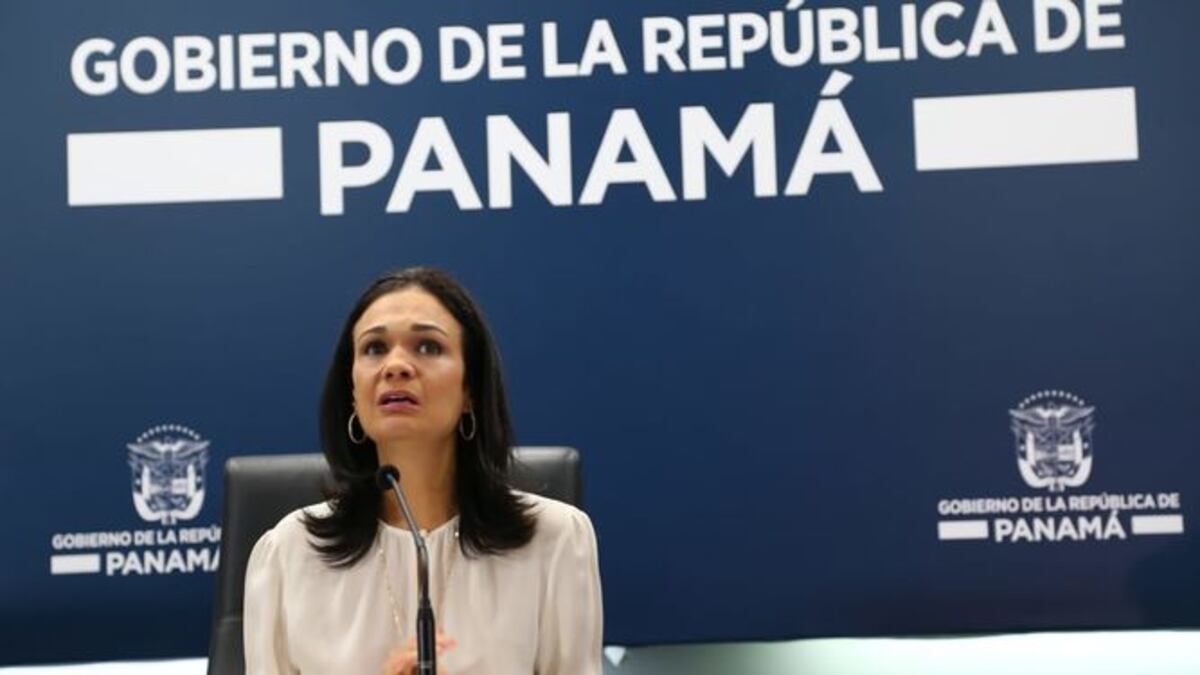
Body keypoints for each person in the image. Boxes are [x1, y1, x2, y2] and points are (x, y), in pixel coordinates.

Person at [243, 267, 603, 674]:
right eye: (374, 348)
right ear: (353, 392)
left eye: (428, 347)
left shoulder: (554, 540)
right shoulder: (289, 554)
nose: (396, 365)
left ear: (470, 390)